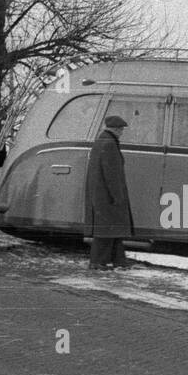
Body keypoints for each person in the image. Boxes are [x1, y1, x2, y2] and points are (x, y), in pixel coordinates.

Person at [85, 114, 133, 270]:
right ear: (116, 129)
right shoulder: (110, 143)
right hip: (107, 195)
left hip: (101, 194)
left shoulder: (102, 141)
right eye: (121, 129)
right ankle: (98, 262)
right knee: (106, 231)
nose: (122, 132)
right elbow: (112, 174)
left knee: (112, 229)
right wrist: (117, 196)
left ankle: (119, 260)